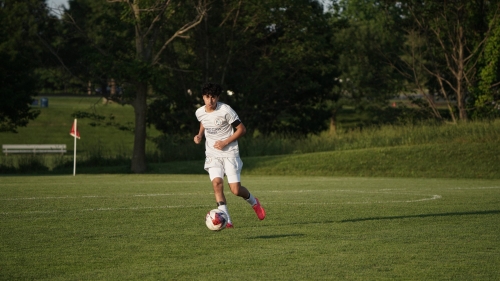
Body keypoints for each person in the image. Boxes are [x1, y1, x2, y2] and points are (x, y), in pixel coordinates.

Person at [194, 82, 266, 228]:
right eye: (207, 97)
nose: (210, 100)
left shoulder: (226, 110)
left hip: (229, 153)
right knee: (217, 183)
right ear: (203, 97)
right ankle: (226, 219)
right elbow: (203, 121)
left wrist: (225, 142)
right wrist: (200, 135)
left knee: (235, 190)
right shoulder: (199, 112)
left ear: (218, 97)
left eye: (213, 97)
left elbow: (241, 129)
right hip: (212, 154)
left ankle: (254, 202)